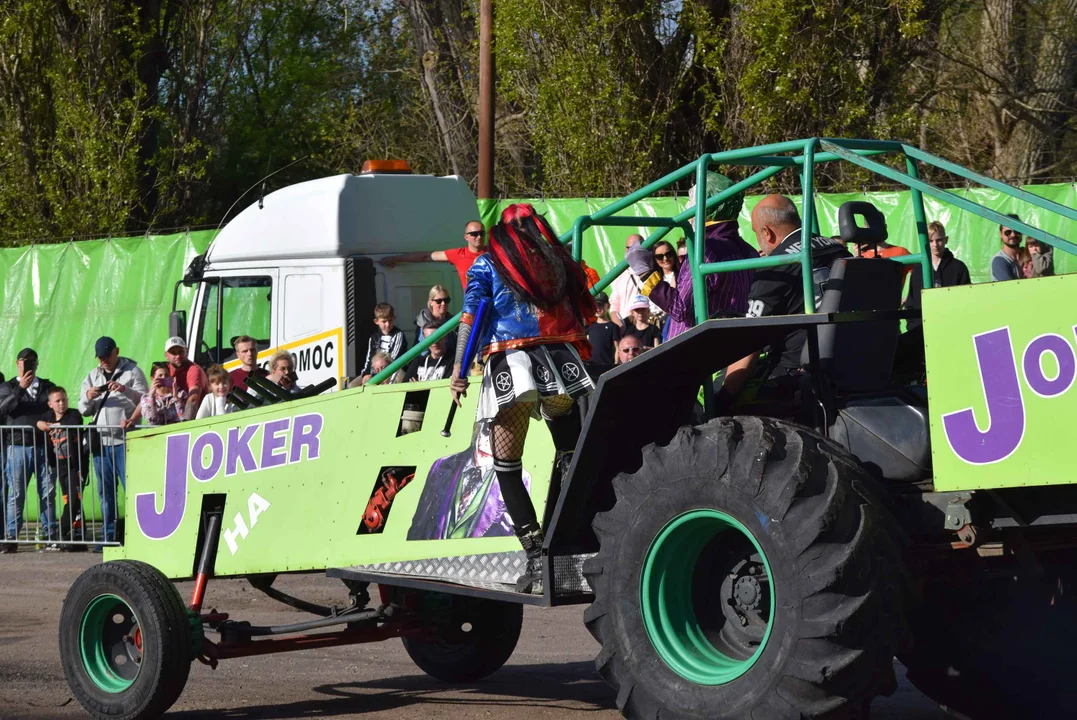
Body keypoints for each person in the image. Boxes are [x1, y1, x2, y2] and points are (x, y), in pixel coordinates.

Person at [450, 203, 596, 594]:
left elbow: (470, 316)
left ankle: (535, 559)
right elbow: (584, 313)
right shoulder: (556, 261)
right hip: (560, 362)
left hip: (511, 366)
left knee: (507, 464)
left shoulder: (487, 263)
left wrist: (459, 371)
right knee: (568, 455)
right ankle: (573, 548)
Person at [720, 195, 851, 409]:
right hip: (847, 359)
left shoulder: (776, 267)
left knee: (721, 388)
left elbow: (750, 344)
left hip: (796, 372)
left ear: (766, 232)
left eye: (756, 233)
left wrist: (724, 396)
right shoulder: (838, 249)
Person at [627, 171, 756, 340]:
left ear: (707, 206)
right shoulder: (749, 251)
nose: (687, 207)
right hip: (732, 344)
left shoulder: (704, 250)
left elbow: (680, 309)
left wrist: (646, 273)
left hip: (695, 352)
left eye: (691, 200)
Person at [78, 336, 148, 549]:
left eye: (107, 356)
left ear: (116, 351)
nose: (104, 361)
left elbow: (146, 400)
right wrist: (89, 397)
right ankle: (108, 537)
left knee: (132, 489)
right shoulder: (92, 375)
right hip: (101, 443)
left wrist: (124, 390)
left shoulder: (132, 371)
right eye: (100, 357)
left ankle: (139, 536)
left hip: (125, 441)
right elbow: (83, 410)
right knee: (105, 492)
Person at [0, 348, 58, 551]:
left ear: (37, 364)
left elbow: (56, 410)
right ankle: (11, 537)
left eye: (32, 361)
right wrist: (20, 388)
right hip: (17, 447)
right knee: (16, 494)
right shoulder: (7, 386)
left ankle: (51, 534)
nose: (29, 365)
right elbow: (3, 408)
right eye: (25, 361)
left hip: (42, 446)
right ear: (18, 363)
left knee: (47, 492)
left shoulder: (46, 386)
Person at [36, 387, 85, 547]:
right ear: (50, 404)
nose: (61, 403)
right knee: (68, 499)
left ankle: (62, 532)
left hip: (74, 464)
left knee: (73, 499)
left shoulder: (73, 414)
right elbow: (37, 422)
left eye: (64, 399)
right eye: (57, 401)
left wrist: (51, 425)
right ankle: (76, 534)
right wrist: (40, 423)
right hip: (57, 464)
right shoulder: (47, 416)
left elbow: (72, 423)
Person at [379, 220, 487, 290]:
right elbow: (426, 256)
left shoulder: (494, 253)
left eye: (482, 233)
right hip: (474, 306)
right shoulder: (458, 254)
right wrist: (396, 258)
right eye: (474, 234)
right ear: (466, 237)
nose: (479, 237)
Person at [361, 303, 408, 382]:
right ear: (376, 321)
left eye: (390, 320)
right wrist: (366, 374)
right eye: (384, 321)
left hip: (394, 371)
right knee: (352, 385)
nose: (388, 324)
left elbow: (394, 359)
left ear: (394, 318)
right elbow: (369, 359)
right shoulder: (373, 338)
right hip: (376, 371)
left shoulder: (398, 335)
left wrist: (382, 371)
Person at [164, 336, 208, 420]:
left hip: (198, 419)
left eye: (181, 352)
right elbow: (151, 395)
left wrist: (186, 424)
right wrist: (133, 418)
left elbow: (193, 399)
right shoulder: (164, 370)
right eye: (173, 352)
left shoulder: (194, 370)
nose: (178, 356)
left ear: (186, 351)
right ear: (166, 355)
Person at [413, 286, 458, 358]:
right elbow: (422, 353)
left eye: (446, 300)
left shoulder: (454, 322)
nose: (443, 303)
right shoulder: (424, 322)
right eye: (439, 301)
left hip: (450, 363)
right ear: (431, 302)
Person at [585, 291, 621, 377]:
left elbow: (617, 348)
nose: (597, 308)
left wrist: (616, 364)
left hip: (607, 367)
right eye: (595, 305)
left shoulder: (613, 326)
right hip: (592, 366)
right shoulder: (589, 327)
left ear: (608, 306)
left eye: (600, 305)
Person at [139, 361, 184, 427]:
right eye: (160, 375)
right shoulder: (145, 398)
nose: (163, 377)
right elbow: (152, 422)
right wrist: (151, 397)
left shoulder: (181, 394)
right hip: (157, 435)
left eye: (166, 375)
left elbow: (184, 419)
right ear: (152, 379)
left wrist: (176, 398)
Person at [991, 214, 1025, 282]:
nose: (1013, 235)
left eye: (1017, 231)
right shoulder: (999, 260)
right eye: (1008, 232)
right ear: (1001, 234)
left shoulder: (1027, 254)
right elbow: (1010, 287)